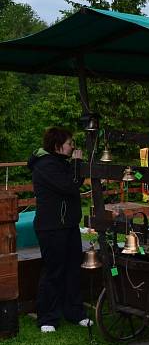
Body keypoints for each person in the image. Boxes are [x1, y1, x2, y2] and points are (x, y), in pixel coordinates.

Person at [27, 127, 92, 333]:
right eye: (69, 143)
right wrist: (77, 164)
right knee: (53, 271)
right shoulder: (45, 165)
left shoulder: (60, 163)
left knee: (73, 269)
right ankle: (48, 317)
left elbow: (72, 183)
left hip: (69, 225)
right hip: (51, 227)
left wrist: (75, 164)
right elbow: (70, 185)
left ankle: (75, 312)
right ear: (57, 146)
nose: (72, 147)